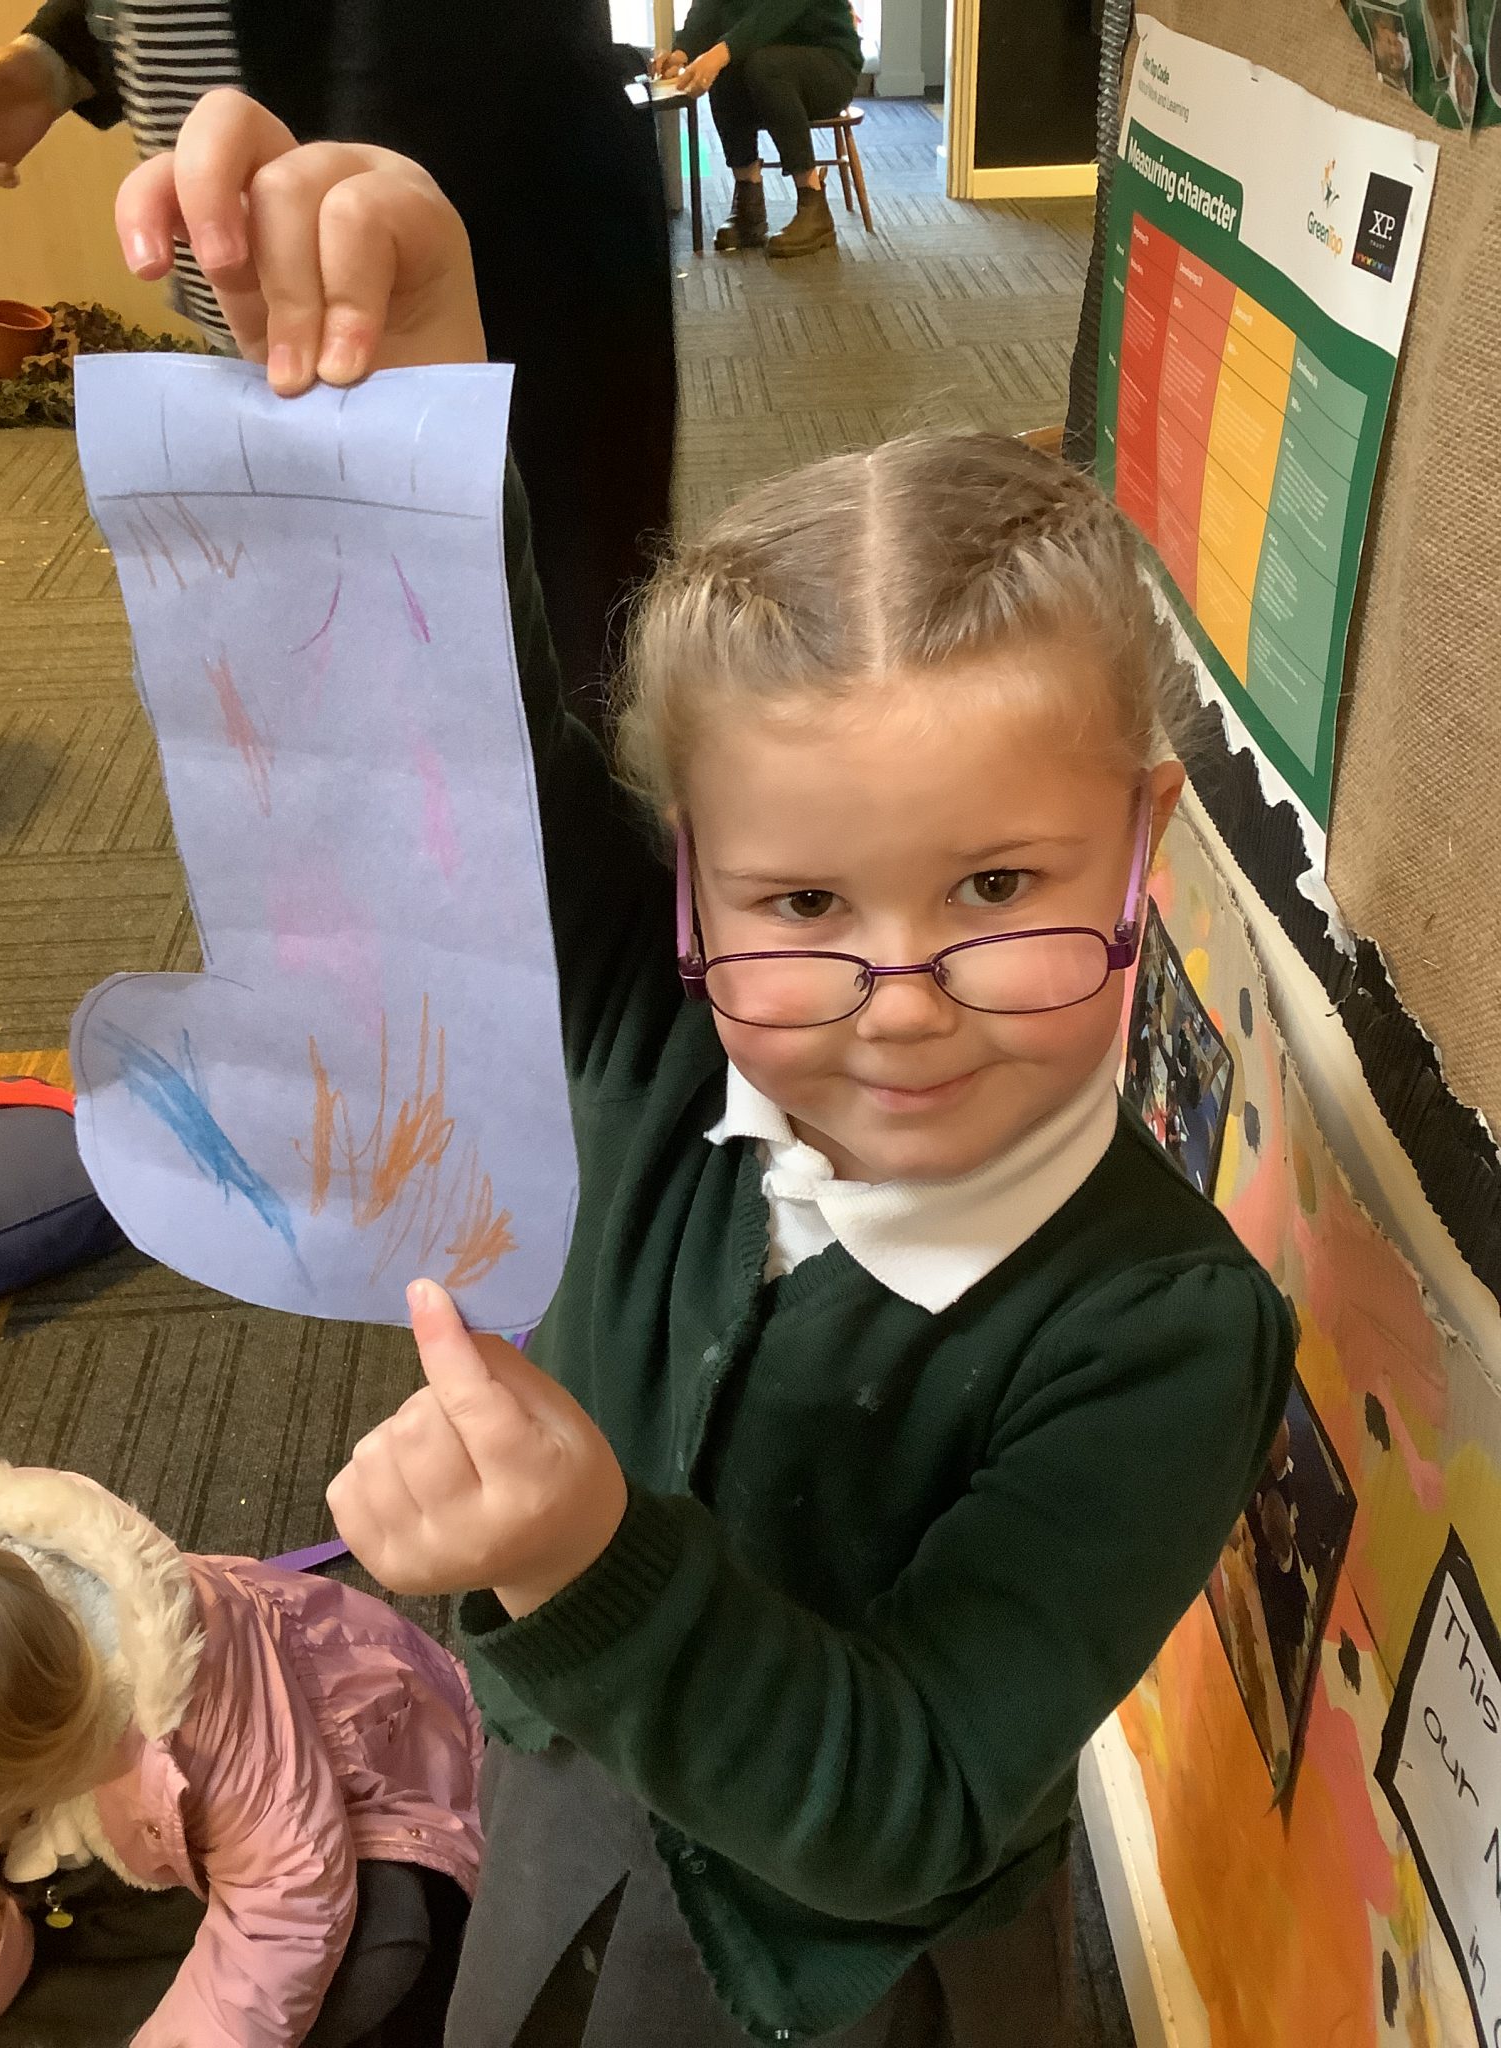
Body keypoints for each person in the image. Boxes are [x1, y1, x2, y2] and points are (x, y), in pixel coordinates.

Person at [118, 94, 1294, 2046]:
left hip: (846, 1974)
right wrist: (409, 358)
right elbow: (443, 730)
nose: (896, 999)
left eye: (998, 883)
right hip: (566, 1785)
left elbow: (913, 1798)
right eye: (802, 900)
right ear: (692, 889)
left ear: (1141, 838)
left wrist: (582, 1554)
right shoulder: (648, 1011)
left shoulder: (1162, 1327)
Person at [0, 0, 676, 724]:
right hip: (267, 297)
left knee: (544, 655)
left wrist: (364, 188)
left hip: (479, 250)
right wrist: (61, 55)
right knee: (330, 669)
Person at [0, 1460, 483, 2046]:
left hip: (369, 1790)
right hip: (176, 1820)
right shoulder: (1, 1721)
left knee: (379, 1947)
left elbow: (289, 1901)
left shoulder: (203, 1713)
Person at [654, 0, 863, 258]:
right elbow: (708, 7)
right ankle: (748, 205)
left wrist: (719, 54)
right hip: (764, 57)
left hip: (829, 62)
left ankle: (813, 204)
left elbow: (776, 11)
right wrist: (681, 54)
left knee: (762, 64)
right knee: (730, 67)